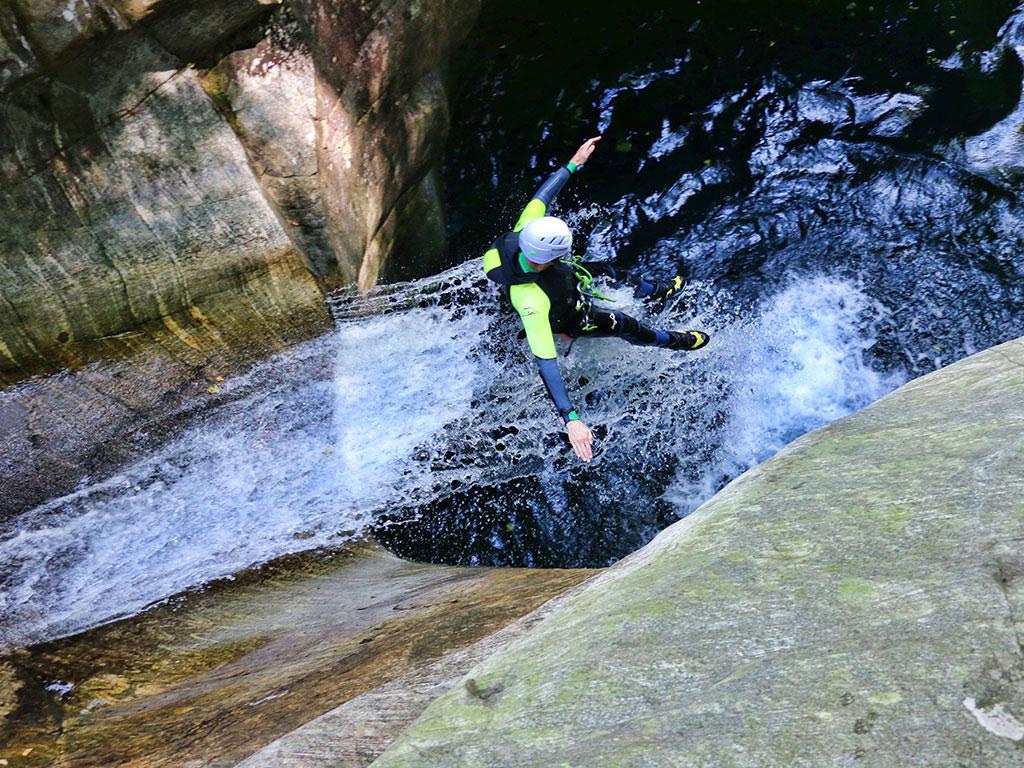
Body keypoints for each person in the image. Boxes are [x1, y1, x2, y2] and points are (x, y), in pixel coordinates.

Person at [482, 136, 710, 463]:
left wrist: (573, 163)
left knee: (611, 271)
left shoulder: (524, 231)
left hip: (562, 280)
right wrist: (571, 419)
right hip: (568, 315)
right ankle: (673, 341)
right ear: (547, 257)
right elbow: (545, 362)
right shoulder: (531, 301)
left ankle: (658, 290)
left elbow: (542, 196)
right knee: (627, 325)